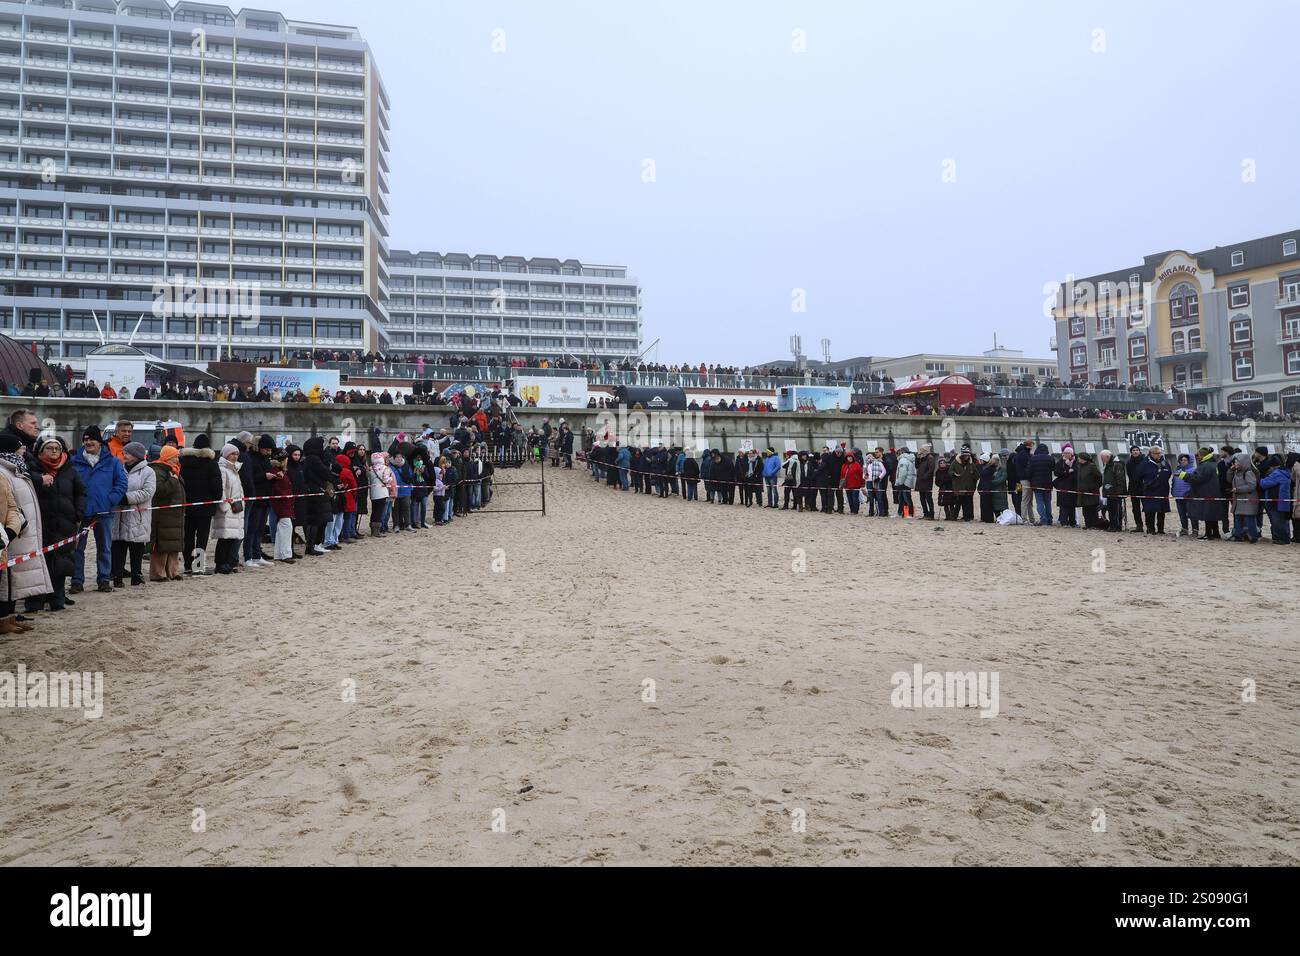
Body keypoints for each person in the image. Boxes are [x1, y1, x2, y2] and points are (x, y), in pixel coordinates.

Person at [25, 437, 86, 613]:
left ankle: (57, 599)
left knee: (60, 562)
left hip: (64, 524)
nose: (54, 451)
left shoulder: (70, 470)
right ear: (40, 452)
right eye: (50, 448)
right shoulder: (33, 469)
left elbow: (81, 492)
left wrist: (78, 513)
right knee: (37, 563)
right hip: (40, 523)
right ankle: (34, 601)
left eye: (57, 448)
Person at [0, 433, 49, 634]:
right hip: (9, 535)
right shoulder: (5, 471)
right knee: (7, 580)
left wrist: (15, 526)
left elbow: (12, 505)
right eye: (20, 448)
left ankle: (8, 618)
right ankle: (4, 621)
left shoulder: (16, 469)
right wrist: (9, 532)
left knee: (13, 580)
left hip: (17, 531)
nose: (24, 451)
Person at [111, 441, 156, 587]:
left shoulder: (148, 472)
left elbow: (147, 492)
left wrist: (127, 498)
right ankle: (117, 576)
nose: (124, 455)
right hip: (119, 515)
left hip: (138, 516)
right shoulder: (119, 469)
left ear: (137, 455)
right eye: (124, 452)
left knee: (136, 548)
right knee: (118, 547)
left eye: (127, 453)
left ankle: (137, 575)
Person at [179, 435, 222, 575]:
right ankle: (198, 566)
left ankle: (187, 565)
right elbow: (216, 485)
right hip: (205, 506)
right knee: (202, 538)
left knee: (188, 536)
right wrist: (217, 498)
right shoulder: (211, 463)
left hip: (187, 505)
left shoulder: (184, 462)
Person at [148, 445, 185, 582]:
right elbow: (159, 490)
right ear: (168, 457)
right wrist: (173, 480)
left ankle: (173, 572)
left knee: (174, 545)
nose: (177, 459)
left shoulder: (174, 470)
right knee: (161, 546)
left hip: (175, 514)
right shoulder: (158, 470)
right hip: (163, 514)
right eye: (175, 456)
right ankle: (158, 573)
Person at [214, 443, 245, 574]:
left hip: (236, 507)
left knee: (232, 537)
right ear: (226, 454)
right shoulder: (222, 469)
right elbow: (221, 489)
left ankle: (227, 562)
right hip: (227, 508)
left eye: (237, 454)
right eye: (233, 454)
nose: (235, 456)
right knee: (224, 538)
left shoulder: (235, 469)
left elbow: (240, 488)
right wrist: (225, 506)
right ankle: (220, 563)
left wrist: (242, 502)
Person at [1186, 448, 1224, 541]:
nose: (1197, 457)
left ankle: (1208, 534)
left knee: (1208, 514)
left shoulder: (1205, 465)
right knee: (1212, 514)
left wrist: (1185, 476)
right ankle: (1216, 533)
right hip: (1214, 492)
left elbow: (1198, 478)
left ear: (1202, 455)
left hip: (1207, 492)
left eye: (1198, 455)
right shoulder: (1213, 463)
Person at [1257, 449, 1292, 545]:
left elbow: (1263, 484)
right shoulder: (1286, 472)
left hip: (1275, 501)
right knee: (1284, 521)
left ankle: (1280, 539)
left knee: (1277, 522)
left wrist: (1258, 478)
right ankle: (1286, 538)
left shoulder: (1277, 474)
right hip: (1283, 501)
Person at [268, 453, 297, 563]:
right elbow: (278, 488)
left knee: (282, 529)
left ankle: (279, 554)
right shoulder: (277, 472)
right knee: (286, 527)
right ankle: (285, 554)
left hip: (284, 502)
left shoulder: (280, 472)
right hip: (282, 503)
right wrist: (286, 497)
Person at [1137, 445, 1172, 535]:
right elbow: (1138, 475)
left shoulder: (1164, 462)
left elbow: (1169, 472)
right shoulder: (1145, 463)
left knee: (1161, 511)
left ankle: (1161, 529)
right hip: (1150, 490)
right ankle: (1150, 528)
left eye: (1160, 453)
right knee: (1150, 511)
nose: (1159, 455)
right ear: (1151, 453)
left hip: (1163, 489)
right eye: (1156, 453)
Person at [1228, 452, 1260, 542]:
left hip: (1248, 499)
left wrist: (1237, 489)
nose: (1236, 464)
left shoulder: (1248, 472)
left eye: (1237, 462)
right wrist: (1231, 470)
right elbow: (1228, 479)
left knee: (1249, 519)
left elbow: (1252, 486)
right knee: (1238, 518)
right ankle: (1238, 536)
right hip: (1239, 500)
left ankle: (1253, 537)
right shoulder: (1237, 472)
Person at [1099, 449, 1127, 532]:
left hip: (1115, 493)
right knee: (1111, 509)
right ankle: (1112, 525)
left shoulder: (1117, 465)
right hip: (1109, 492)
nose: (1102, 460)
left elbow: (1120, 479)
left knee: (1116, 510)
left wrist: (1119, 492)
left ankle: (1117, 526)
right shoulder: (1108, 464)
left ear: (1108, 457)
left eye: (1103, 458)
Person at [1027, 443, 1055, 526]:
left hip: (1036, 484)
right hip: (1048, 484)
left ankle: (1043, 519)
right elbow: (1054, 469)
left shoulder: (1033, 459)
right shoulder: (1050, 458)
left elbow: (1029, 472)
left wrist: (1030, 480)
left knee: (1039, 502)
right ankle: (1049, 520)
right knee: (1048, 502)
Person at [1076, 452, 1105, 529]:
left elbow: (1099, 477)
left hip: (1092, 492)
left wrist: (1095, 486)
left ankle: (1094, 525)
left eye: (1079, 457)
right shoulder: (1079, 466)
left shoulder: (1091, 466)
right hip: (1082, 492)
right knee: (1085, 510)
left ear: (1083, 458)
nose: (1078, 459)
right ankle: (1088, 524)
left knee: (1092, 509)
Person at [1171, 453, 1197, 537]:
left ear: (1190, 461)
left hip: (1188, 496)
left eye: (1185, 460)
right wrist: (1173, 491)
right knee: (1182, 514)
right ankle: (1184, 529)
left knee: (1192, 514)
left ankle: (1195, 530)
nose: (1182, 461)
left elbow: (1194, 483)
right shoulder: (1178, 471)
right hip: (1178, 496)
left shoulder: (1194, 471)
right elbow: (1173, 483)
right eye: (1181, 460)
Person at [949, 445, 978, 522]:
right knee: (958, 502)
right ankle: (954, 517)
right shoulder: (955, 462)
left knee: (967, 503)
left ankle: (967, 517)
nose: (967, 457)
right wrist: (954, 474)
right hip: (959, 485)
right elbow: (950, 471)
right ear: (962, 455)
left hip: (969, 486)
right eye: (965, 455)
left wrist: (974, 475)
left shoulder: (971, 463)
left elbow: (976, 473)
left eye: (968, 455)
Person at [1053, 444, 1078, 527]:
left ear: (1071, 454)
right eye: (1065, 453)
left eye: (1068, 453)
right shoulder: (1060, 462)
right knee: (1063, 506)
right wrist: (1067, 472)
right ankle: (1063, 522)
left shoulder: (1076, 461)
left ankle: (1072, 522)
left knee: (1072, 506)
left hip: (1073, 486)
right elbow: (1056, 472)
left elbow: (1077, 472)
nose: (1066, 454)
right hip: (1063, 486)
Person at [1125, 445, 1147, 533]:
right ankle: (1139, 525)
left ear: (1139, 451)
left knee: (1146, 507)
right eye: (1133, 450)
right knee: (1135, 508)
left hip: (1144, 487)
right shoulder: (1129, 462)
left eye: (1137, 450)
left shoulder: (1145, 461)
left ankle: (1149, 525)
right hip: (1133, 487)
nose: (1135, 451)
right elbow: (1129, 475)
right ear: (1131, 452)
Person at [915, 444, 936, 520]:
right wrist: (917, 458)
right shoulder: (922, 458)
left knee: (928, 498)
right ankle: (925, 513)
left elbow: (931, 469)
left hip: (926, 481)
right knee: (922, 498)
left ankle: (931, 514)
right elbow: (916, 466)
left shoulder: (930, 458)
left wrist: (924, 477)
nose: (921, 451)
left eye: (922, 450)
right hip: (920, 481)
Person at [841, 449, 865, 515]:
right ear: (846, 458)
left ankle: (855, 511)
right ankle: (852, 510)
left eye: (851, 457)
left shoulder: (857, 464)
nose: (849, 458)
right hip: (847, 485)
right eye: (848, 457)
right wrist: (842, 484)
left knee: (855, 498)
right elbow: (842, 476)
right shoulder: (844, 466)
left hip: (855, 484)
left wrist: (862, 483)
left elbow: (861, 474)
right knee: (849, 499)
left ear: (853, 457)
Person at [894, 447, 916, 517]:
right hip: (908, 481)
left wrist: (900, 482)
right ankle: (900, 513)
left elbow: (903, 473)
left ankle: (910, 514)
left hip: (904, 482)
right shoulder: (909, 459)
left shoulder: (903, 460)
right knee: (901, 498)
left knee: (907, 499)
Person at [935, 455, 956, 520]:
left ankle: (953, 516)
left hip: (950, 488)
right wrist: (940, 484)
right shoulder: (938, 471)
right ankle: (947, 516)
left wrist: (946, 481)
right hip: (942, 488)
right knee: (945, 503)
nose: (942, 464)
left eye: (943, 462)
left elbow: (951, 478)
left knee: (951, 503)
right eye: (941, 463)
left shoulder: (949, 469)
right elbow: (936, 481)